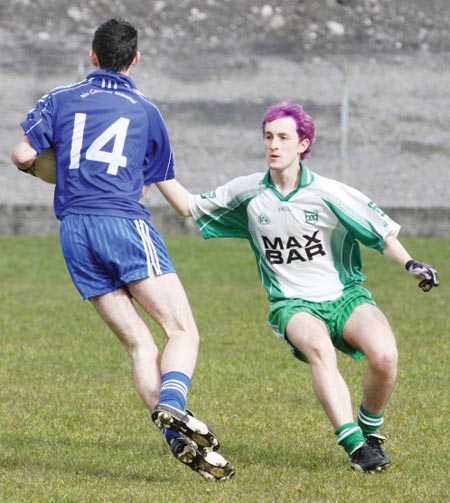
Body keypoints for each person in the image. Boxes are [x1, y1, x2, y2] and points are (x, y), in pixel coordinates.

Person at [155, 102, 439, 473]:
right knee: (320, 349)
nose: (274, 145)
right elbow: (187, 206)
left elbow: (380, 232)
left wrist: (410, 263)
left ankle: (370, 431)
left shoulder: (329, 193)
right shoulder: (249, 192)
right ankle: (355, 447)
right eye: (269, 137)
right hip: (291, 304)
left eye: (284, 138)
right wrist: (153, 162)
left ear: (303, 144)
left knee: (385, 357)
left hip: (345, 296)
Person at [11, 18, 234, 481]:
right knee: (182, 331)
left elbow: (21, 155)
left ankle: (178, 439)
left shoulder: (60, 98)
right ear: (135, 60)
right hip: (122, 224)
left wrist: (43, 169)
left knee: (138, 343)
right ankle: (173, 405)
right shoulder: (145, 110)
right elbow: (155, 180)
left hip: (74, 231)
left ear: (92, 56)